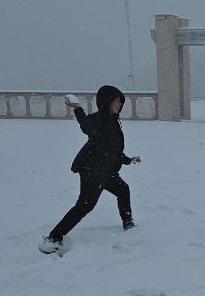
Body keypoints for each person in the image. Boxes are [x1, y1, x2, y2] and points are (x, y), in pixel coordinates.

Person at [39, 85, 142, 253]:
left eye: (120, 102)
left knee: (123, 190)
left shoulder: (114, 121)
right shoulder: (98, 119)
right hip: (92, 170)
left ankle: (128, 224)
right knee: (85, 205)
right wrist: (78, 108)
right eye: (116, 101)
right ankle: (54, 237)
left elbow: (112, 149)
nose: (119, 105)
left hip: (106, 170)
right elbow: (88, 128)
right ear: (107, 101)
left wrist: (128, 160)